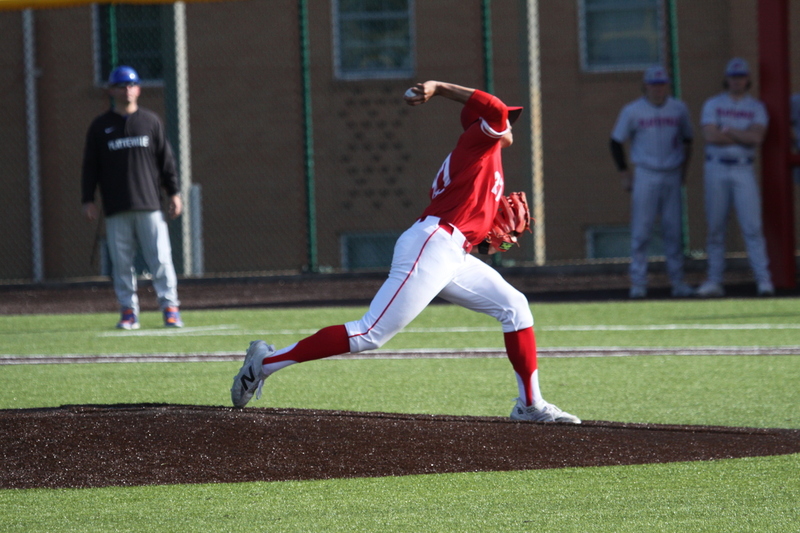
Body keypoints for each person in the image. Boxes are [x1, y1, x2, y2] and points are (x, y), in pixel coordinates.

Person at [231, 80, 581, 423]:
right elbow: (493, 108)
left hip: (453, 250)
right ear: (480, 124)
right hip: (434, 244)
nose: (509, 127)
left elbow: (471, 218)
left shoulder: (483, 157)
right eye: (506, 121)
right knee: (370, 333)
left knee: (514, 306)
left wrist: (486, 238)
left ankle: (530, 404)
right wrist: (439, 88)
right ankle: (264, 363)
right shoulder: (477, 140)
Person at [82, 65, 184, 329]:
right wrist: (88, 199)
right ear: (112, 90)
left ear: (138, 89)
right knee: (122, 263)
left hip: (149, 205)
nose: (126, 90)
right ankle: (129, 311)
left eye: (131, 85)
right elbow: (90, 165)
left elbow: (166, 161)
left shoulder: (150, 121)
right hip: (116, 208)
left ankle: (170, 308)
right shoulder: (100, 126)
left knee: (160, 259)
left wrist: (174, 192)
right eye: (121, 85)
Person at [609, 66, 695, 299]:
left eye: (662, 84)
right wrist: (625, 173)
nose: (658, 89)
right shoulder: (633, 110)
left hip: (672, 172)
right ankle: (638, 282)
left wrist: (684, 172)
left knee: (673, 230)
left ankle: (678, 282)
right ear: (645, 86)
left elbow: (688, 140)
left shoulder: (679, 108)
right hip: (645, 173)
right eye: (654, 84)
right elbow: (615, 141)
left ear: (668, 85)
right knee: (641, 230)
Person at [696, 58, 774, 297]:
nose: (737, 81)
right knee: (716, 227)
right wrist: (742, 135)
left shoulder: (756, 107)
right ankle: (715, 280)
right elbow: (711, 136)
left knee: (752, 227)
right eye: (733, 77)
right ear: (726, 78)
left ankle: (763, 281)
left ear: (748, 79)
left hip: (742, 168)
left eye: (741, 77)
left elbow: (757, 138)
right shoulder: (713, 104)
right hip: (716, 167)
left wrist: (729, 131)